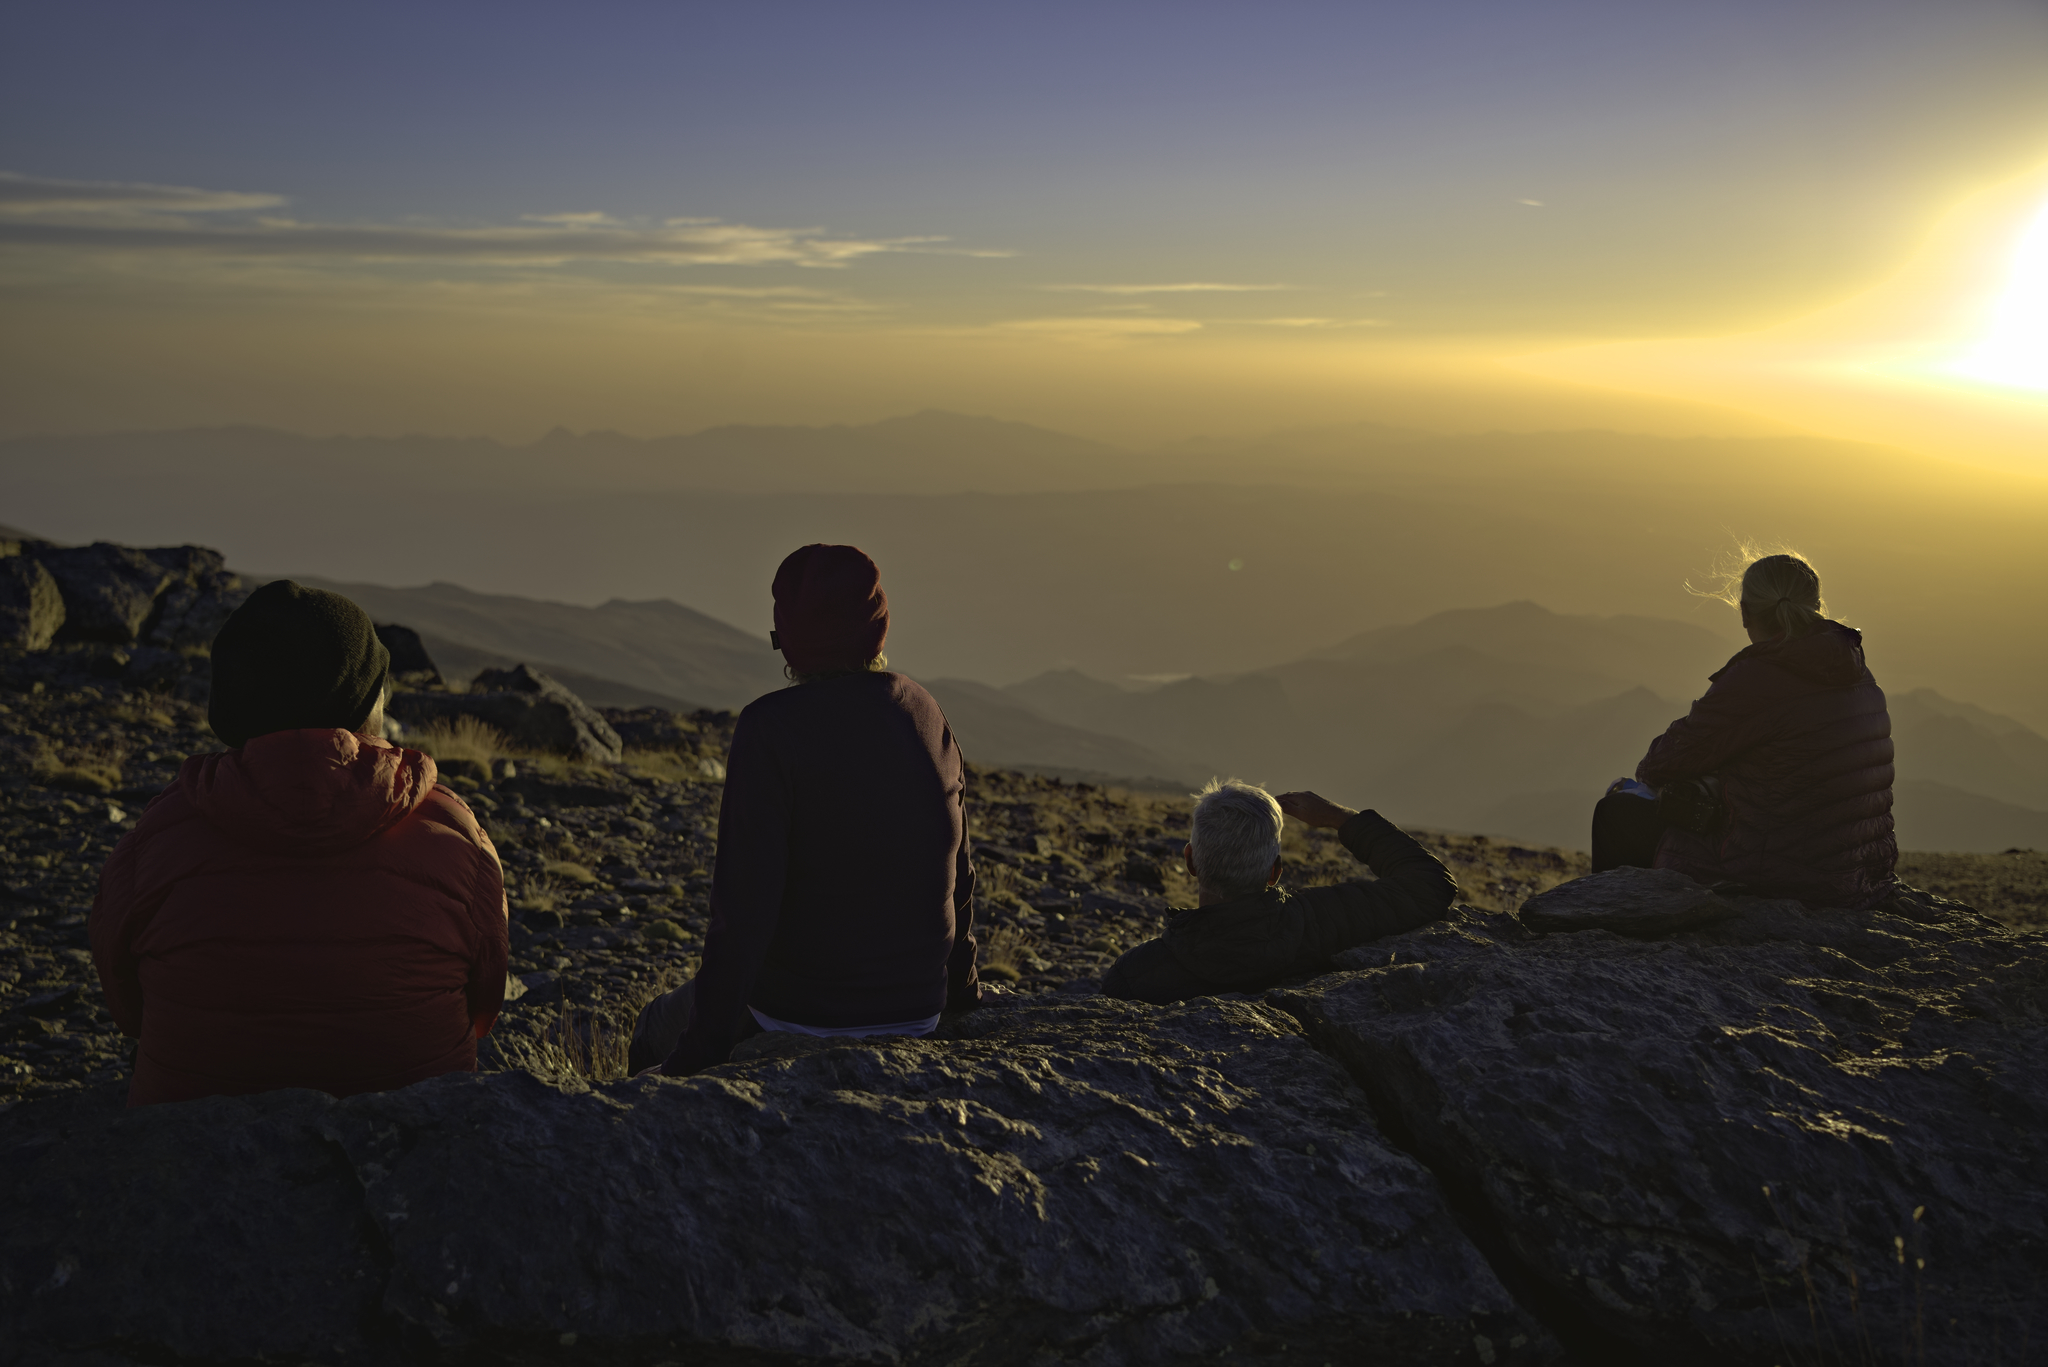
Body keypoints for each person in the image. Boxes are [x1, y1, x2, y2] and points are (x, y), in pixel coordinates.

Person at [89, 580, 509, 1107]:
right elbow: (484, 1004)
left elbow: (127, 1007)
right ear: (364, 699)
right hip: (415, 1135)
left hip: (192, 1141)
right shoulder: (454, 830)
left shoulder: (159, 832)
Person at [629, 544, 979, 1076]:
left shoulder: (770, 729)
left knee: (652, 1028)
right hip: (920, 1011)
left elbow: (743, 912)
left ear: (787, 635)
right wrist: (963, 992)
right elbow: (958, 875)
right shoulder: (925, 713)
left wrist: (698, 1054)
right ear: (878, 626)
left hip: (797, 1015)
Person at [1591, 552, 1896, 909]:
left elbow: (1662, 763)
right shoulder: (1855, 669)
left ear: (1745, 612)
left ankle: (1613, 933)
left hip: (1783, 873)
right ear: (1815, 606)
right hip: (1860, 870)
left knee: (1616, 813)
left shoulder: (1758, 678)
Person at [1100, 779, 1456, 1005]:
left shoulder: (1133, 976)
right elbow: (1429, 884)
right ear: (1275, 871)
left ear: (1190, 862)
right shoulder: (1324, 922)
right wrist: (1341, 818)